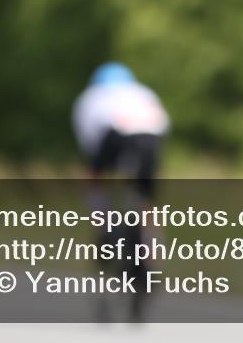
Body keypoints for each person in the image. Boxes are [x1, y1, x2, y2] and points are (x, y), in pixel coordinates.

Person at [72, 61, 170, 321]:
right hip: (152, 141)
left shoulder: (91, 98)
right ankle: (154, 252)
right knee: (145, 203)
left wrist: (96, 187)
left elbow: (90, 148)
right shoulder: (144, 93)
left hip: (114, 137)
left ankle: (104, 228)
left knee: (94, 183)